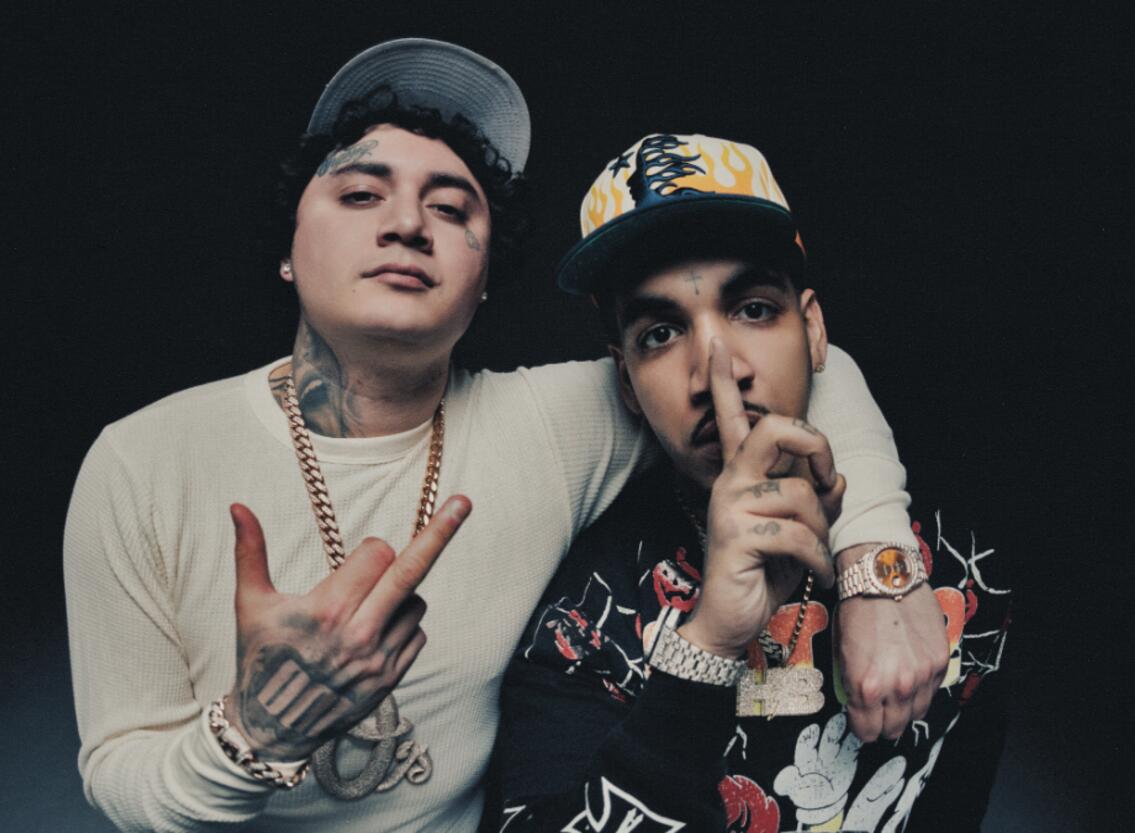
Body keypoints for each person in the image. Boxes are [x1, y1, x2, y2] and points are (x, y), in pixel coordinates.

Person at [63, 40, 926, 832]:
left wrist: (876, 570)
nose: (407, 224)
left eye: (450, 207)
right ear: (288, 243)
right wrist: (252, 731)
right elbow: (117, 769)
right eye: (361, 194)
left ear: (482, 282)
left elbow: (803, 371)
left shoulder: (555, 423)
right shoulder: (141, 463)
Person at [484, 134, 1012, 832]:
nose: (719, 371)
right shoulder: (584, 625)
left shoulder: (955, 578)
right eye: (660, 333)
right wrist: (706, 650)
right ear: (627, 384)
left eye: (753, 309)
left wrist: (878, 567)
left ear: (816, 333)